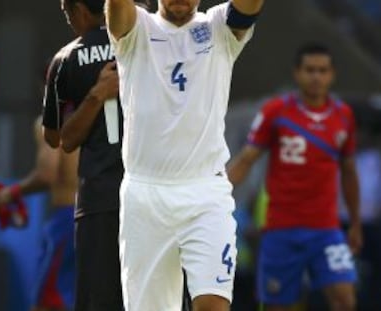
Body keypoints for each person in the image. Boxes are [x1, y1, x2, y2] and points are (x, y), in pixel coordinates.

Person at [105, 0, 264, 310]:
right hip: (145, 195)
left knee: (212, 304)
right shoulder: (137, 27)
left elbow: (248, 7)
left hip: (205, 194)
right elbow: (117, 13)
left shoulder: (219, 26)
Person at [228, 43, 362, 311]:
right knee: (279, 305)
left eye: (322, 70)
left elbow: (348, 172)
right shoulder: (275, 112)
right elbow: (246, 159)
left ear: (332, 74)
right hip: (281, 229)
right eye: (310, 70)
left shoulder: (343, 116)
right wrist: (215, 197)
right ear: (297, 73)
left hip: (326, 229)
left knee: (345, 298)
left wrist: (355, 223)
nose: (316, 76)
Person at [41, 0, 131, 309]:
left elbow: (58, 139)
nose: (68, 21)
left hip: (99, 197)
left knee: (97, 299)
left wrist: (94, 95)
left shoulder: (65, 59)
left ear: (80, 9)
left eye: (67, 13)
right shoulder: (150, 42)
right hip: (155, 192)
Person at [0, 116, 78, 311]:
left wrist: (11, 192)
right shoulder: (100, 118)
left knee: (45, 304)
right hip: (100, 219)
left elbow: (48, 173)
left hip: (66, 221)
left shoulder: (52, 120)